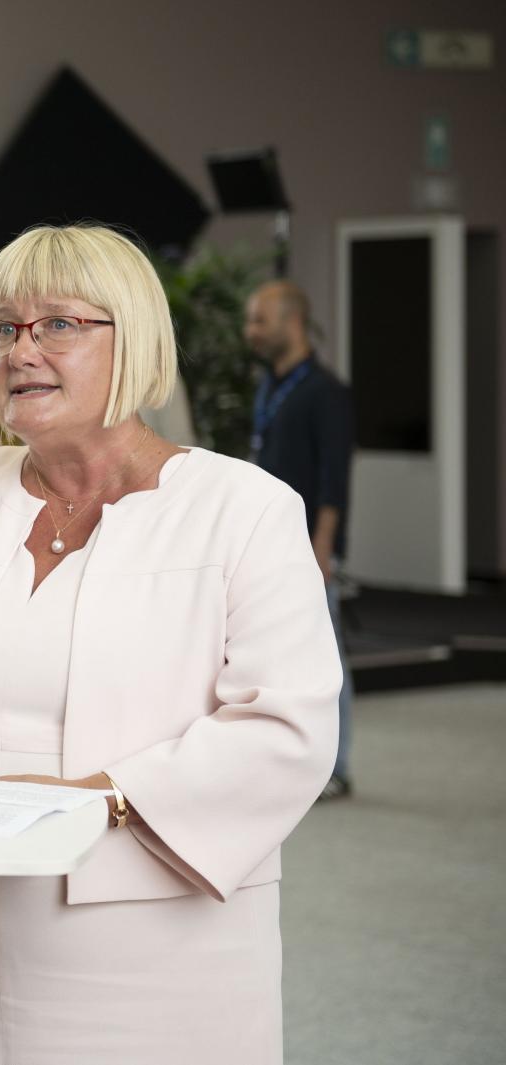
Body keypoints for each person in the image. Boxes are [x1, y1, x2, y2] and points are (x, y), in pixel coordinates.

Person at [0, 224, 339, 1064]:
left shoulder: (246, 509)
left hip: (164, 968)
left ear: (136, 338)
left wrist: (89, 803)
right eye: (1, 328)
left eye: (57, 323)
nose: (20, 350)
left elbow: (285, 730)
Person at [244, 279, 356, 799]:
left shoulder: (326, 392)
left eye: (259, 321)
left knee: (326, 657)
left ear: (291, 322)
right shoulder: (270, 385)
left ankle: (336, 766)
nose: (250, 332)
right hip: (270, 545)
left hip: (311, 549)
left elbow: (336, 478)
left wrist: (323, 547)